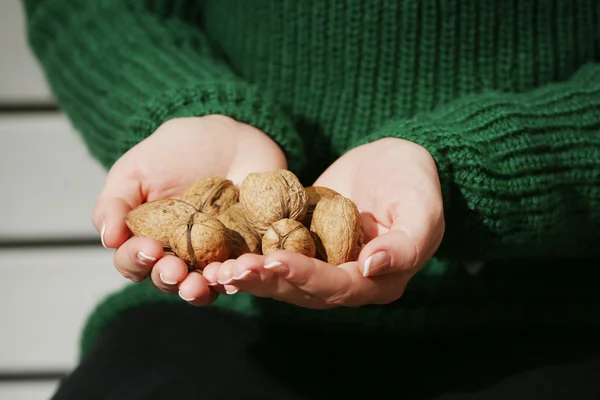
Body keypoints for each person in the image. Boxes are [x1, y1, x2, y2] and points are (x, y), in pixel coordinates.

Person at [23, 0, 600, 398]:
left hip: (555, 309)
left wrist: (461, 167)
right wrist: (189, 108)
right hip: (229, 310)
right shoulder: (234, 221)